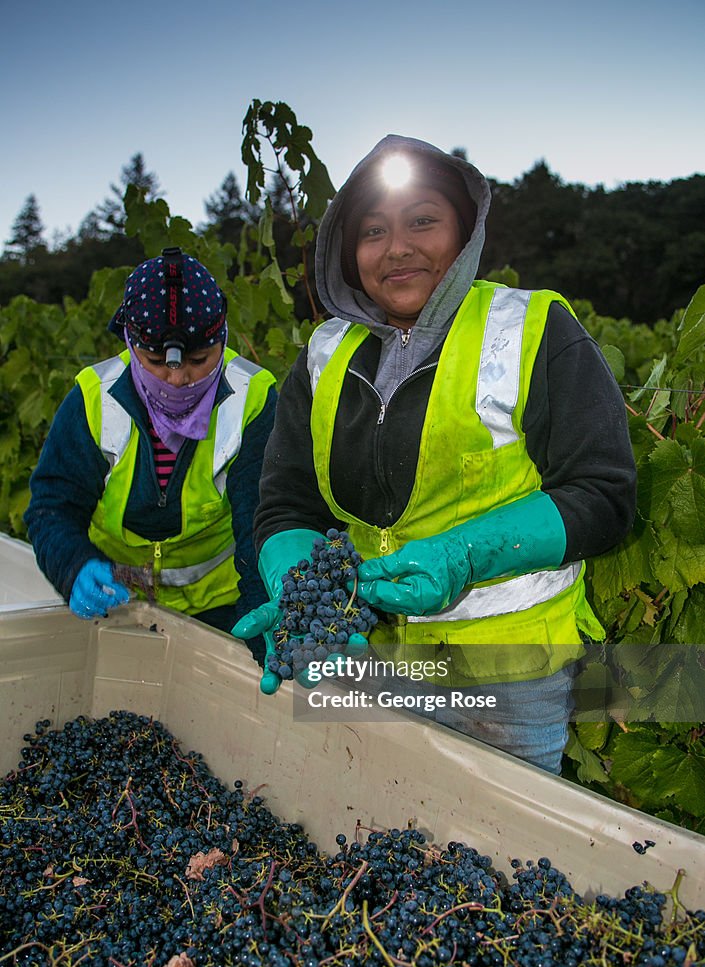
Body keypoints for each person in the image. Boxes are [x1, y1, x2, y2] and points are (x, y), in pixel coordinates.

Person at [233, 137, 637, 772]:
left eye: (423, 220)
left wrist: (463, 555)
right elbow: (287, 503)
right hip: (369, 662)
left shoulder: (531, 329)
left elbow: (604, 495)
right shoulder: (322, 357)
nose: (398, 247)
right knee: (378, 838)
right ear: (349, 252)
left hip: (509, 679)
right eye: (373, 231)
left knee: (506, 855)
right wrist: (296, 580)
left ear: (464, 233)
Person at [25, 247, 276, 655]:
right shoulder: (93, 400)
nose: (177, 379)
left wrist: (262, 629)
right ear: (131, 342)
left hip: (223, 615)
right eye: (157, 361)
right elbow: (51, 508)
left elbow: (260, 526)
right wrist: (74, 566)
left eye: (198, 360)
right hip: (120, 608)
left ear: (223, 338)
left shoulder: (253, 400)